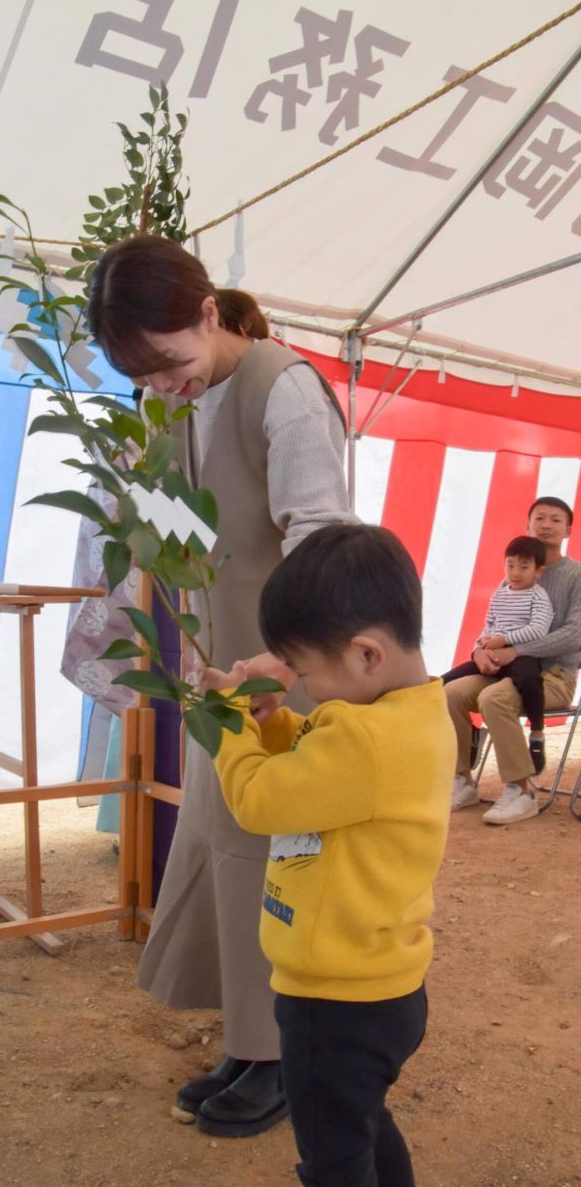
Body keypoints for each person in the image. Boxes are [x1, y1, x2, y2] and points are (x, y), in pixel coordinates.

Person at [87, 234, 352, 1137]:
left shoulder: (284, 387)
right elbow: (190, 529)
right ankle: (250, 1041)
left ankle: (283, 1057)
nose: (164, 387)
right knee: (223, 849)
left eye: (170, 364)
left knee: (283, 868)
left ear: (208, 314)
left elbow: (320, 538)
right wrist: (125, 499)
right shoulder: (177, 403)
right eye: (144, 378)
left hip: (285, 680)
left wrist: (282, 663)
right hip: (223, 682)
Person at [201, 523, 454, 1187]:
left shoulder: (366, 742)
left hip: (333, 1001)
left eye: (307, 671)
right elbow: (324, 768)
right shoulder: (409, 716)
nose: (306, 689)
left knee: (335, 1161)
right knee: (360, 1124)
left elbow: (260, 800)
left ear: (367, 654)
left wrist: (225, 721)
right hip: (383, 987)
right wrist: (274, 723)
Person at [448, 496, 581, 825]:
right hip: (504, 670)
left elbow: (576, 634)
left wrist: (517, 651)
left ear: (568, 529)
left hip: (553, 676)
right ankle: (462, 781)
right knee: (447, 693)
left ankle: (522, 791)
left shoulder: (576, 575)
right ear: (528, 525)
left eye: (555, 519)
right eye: (539, 518)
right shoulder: (512, 574)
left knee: (494, 698)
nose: (546, 524)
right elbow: (494, 624)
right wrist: (479, 651)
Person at [442, 535, 553, 773]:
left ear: (538, 571)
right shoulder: (500, 593)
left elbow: (538, 629)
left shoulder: (538, 596)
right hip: (492, 652)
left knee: (530, 680)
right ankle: (471, 733)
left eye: (524, 567)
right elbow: (489, 625)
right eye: (510, 565)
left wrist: (505, 640)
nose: (515, 572)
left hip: (522, 655)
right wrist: (482, 646)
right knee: (445, 681)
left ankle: (537, 732)